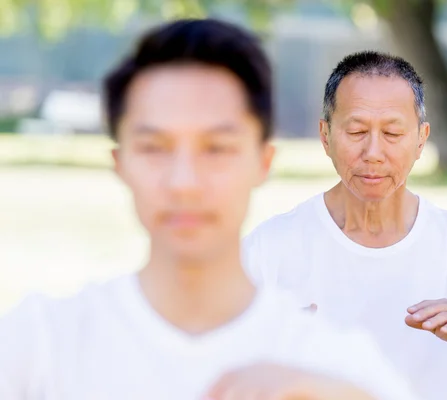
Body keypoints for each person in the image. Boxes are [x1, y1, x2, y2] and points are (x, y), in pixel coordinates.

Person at [0, 22, 417, 400]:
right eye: (155, 148)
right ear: (121, 163)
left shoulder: (340, 371)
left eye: (216, 148)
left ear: (263, 162)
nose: (185, 182)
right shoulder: (39, 346)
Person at [243, 51, 447, 400]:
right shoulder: (268, 249)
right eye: (357, 130)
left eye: (393, 133)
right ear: (325, 135)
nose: (373, 152)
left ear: (421, 139)